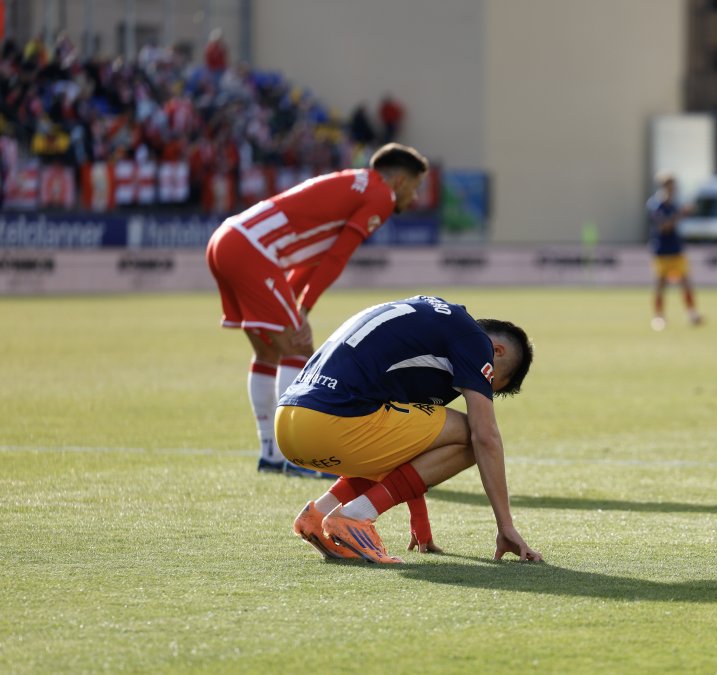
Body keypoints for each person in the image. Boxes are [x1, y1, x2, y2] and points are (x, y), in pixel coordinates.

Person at [205, 143, 429, 476]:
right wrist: (303, 310)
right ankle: (298, 459)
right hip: (253, 249)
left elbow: (319, 256)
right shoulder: (380, 196)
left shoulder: (356, 182)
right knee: (298, 349)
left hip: (228, 238)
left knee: (269, 352)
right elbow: (337, 256)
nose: (415, 198)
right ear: (398, 181)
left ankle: (271, 454)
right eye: (414, 186)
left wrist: (295, 308)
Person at [277, 294, 542, 564]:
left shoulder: (429, 323)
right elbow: (485, 437)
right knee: (472, 433)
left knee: (398, 421)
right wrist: (506, 526)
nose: (478, 387)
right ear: (497, 351)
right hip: (332, 421)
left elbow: (407, 439)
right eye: (490, 380)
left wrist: (419, 519)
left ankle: (319, 513)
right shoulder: (474, 340)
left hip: (290, 425)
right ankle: (355, 517)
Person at [647, 173, 702, 331]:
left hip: (676, 249)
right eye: (670, 186)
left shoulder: (674, 204)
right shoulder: (655, 205)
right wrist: (681, 214)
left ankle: (692, 314)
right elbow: (664, 227)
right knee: (660, 285)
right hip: (661, 250)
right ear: (664, 186)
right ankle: (658, 317)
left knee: (686, 283)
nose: (673, 189)